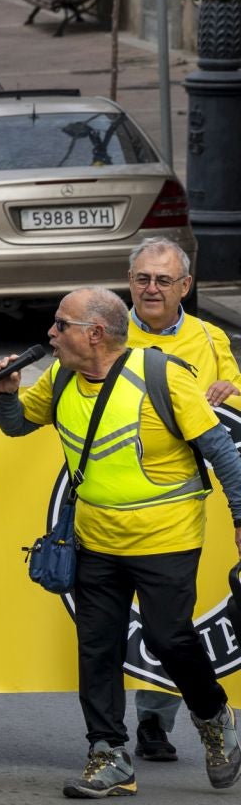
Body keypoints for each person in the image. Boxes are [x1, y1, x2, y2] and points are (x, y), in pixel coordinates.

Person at [0, 287, 241, 798]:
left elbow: (221, 450)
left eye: (61, 325)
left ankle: (213, 715)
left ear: (95, 334)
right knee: (97, 647)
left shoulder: (161, 376)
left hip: (166, 538)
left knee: (169, 639)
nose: (51, 334)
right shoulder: (61, 377)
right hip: (96, 540)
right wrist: (6, 391)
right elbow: (16, 426)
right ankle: (108, 754)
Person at [121, 237, 241, 757]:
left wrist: (230, 393)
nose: (151, 289)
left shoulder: (211, 340)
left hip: (187, 502)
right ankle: (106, 736)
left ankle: (154, 719)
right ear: (130, 282)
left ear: (185, 287)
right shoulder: (102, 328)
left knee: (175, 616)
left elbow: (235, 408)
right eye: (143, 279)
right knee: (113, 618)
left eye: (163, 280)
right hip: (114, 499)